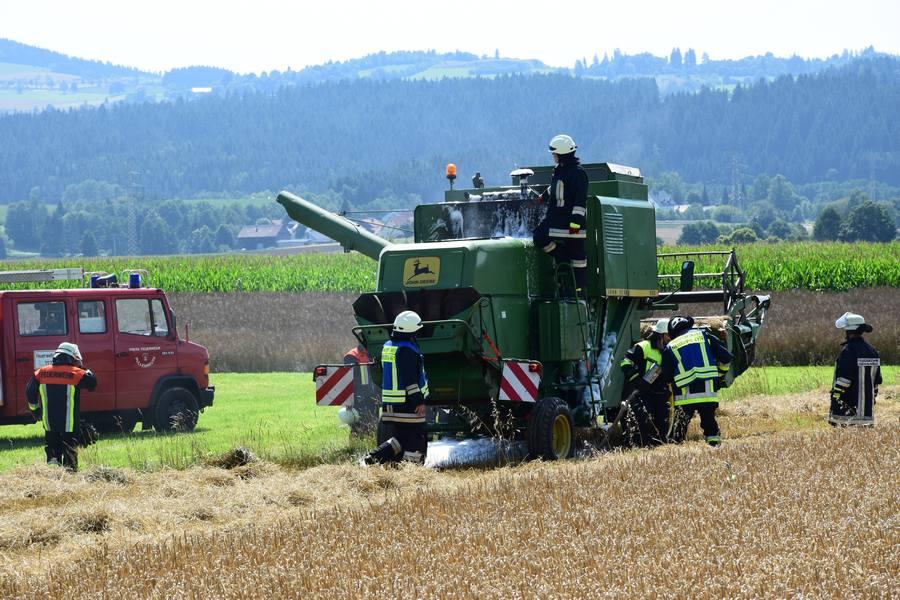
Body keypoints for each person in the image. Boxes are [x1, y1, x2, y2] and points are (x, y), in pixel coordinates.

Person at [364, 311, 429, 465]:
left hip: (391, 403)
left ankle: (373, 458)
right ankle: (409, 468)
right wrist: (418, 401)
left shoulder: (389, 346)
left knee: (402, 437)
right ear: (411, 331)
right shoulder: (407, 350)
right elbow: (410, 380)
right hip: (406, 404)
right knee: (416, 437)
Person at [25, 342, 97, 471]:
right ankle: (69, 475)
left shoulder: (41, 372)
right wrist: (83, 368)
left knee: (52, 454)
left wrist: (35, 410)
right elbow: (92, 383)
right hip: (70, 424)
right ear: (72, 357)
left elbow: (29, 391)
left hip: (49, 423)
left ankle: (53, 474)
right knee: (70, 455)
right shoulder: (77, 373)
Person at [662, 316, 732, 447]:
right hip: (707, 393)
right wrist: (719, 375)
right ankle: (714, 446)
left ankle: (676, 450)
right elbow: (726, 359)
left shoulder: (671, 346)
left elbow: (666, 375)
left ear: (672, 332)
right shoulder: (705, 336)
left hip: (684, 396)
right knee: (710, 424)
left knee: (679, 428)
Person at [532, 134, 589, 296]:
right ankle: (563, 259)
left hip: (569, 223)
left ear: (562, 154)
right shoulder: (561, 171)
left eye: (555, 153)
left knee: (577, 256)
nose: (553, 156)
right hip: (558, 220)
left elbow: (580, 201)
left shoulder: (578, 174)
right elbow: (555, 188)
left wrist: (575, 225)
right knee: (540, 236)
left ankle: (579, 289)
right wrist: (543, 197)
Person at [619, 318, 672, 446]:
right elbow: (625, 362)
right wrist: (637, 379)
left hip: (660, 393)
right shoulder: (643, 347)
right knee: (642, 424)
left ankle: (660, 448)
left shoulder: (669, 350)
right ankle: (639, 448)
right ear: (661, 335)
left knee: (662, 424)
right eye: (668, 335)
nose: (671, 339)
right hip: (642, 393)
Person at [829, 312, 881, 426]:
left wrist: (835, 396)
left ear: (848, 331)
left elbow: (844, 380)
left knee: (845, 436)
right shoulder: (872, 351)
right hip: (867, 412)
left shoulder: (848, 351)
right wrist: (871, 398)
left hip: (847, 413)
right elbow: (876, 381)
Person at [343, 343, 379, 437]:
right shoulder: (351, 356)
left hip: (373, 395)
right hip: (358, 396)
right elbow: (349, 380)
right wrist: (349, 401)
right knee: (357, 425)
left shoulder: (375, 353)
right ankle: (357, 442)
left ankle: (371, 439)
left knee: (373, 422)